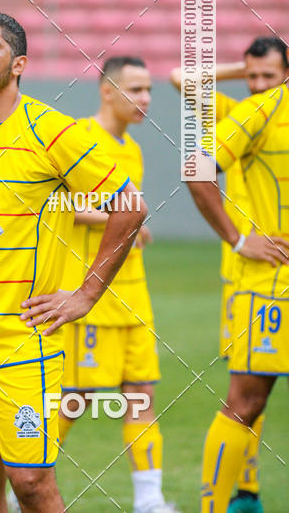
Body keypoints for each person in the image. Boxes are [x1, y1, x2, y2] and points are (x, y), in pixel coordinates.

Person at [0, 10, 147, 513]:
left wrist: (85, 294)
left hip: (22, 340)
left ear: (18, 64)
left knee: (32, 483)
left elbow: (130, 206)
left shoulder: (53, 132)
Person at [171, 36, 288, 513]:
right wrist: (240, 239)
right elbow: (183, 80)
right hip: (258, 278)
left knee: (255, 393)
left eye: (268, 75)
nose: (258, 85)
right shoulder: (246, 111)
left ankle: (247, 491)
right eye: (252, 76)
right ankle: (220, 503)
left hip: (263, 277)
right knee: (247, 395)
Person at [58, 56, 179, 513]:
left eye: (149, 89)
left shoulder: (132, 147)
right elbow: (60, 206)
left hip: (133, 293)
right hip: (91, 295)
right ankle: (22, 484)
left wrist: (131, 224)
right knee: (75, 398)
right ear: (107, 91)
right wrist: (126, 219)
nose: (146, 98)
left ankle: (149, 500)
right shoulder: (77, 138)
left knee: (142, 392)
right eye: (136, 89)